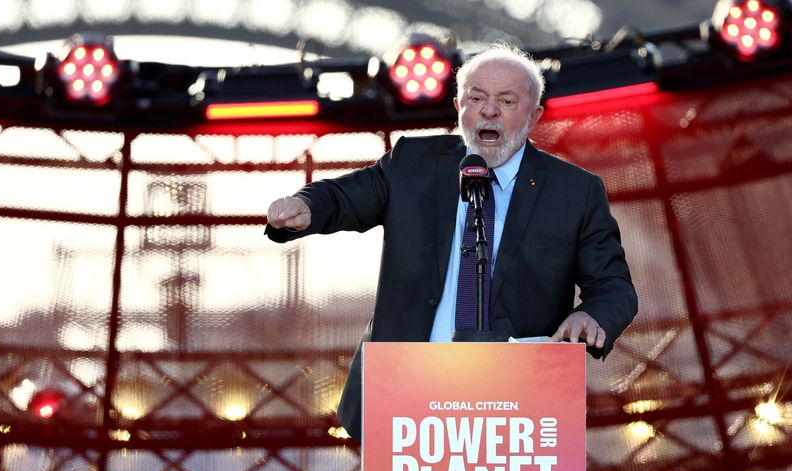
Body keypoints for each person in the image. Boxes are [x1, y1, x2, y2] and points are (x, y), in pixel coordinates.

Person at [266, 43, 638, 441]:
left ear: (534, 117)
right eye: (477, 98)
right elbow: (343, 196)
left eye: (506, 101)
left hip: (515, 406)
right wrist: (305, 205)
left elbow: (613, 287)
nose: (488, 110)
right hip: (404, 392)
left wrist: (591, 316)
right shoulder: (412, 162)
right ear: (459, 105)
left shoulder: (574, 191)